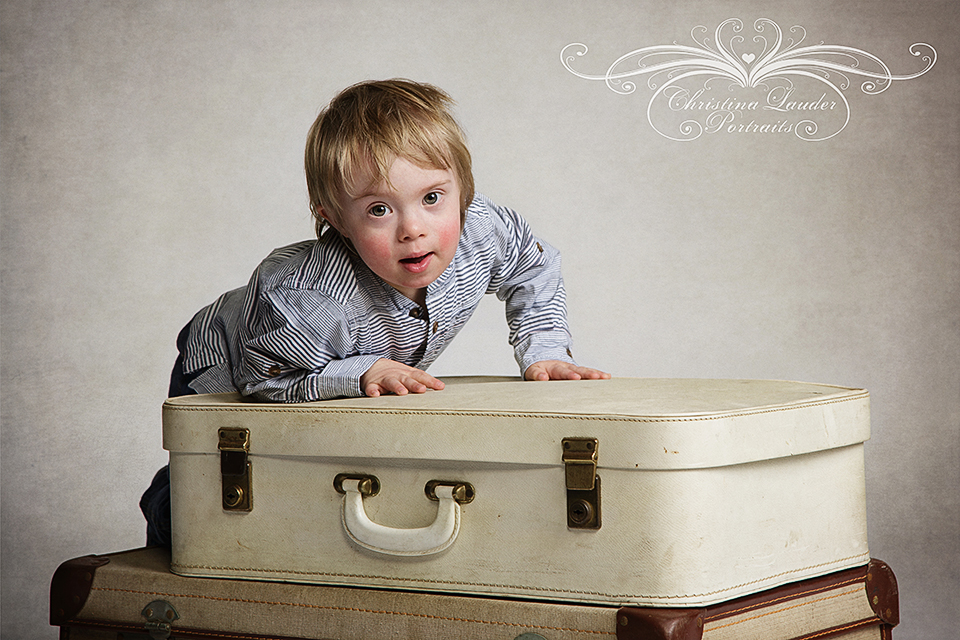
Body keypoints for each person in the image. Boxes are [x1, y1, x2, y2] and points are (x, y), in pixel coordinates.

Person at [140, 79, 609, 545]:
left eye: (432, 198)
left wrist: (544, 350)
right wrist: (361, 371)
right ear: (335, 218)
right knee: (220, 480)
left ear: (464, 190)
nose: (413, 229)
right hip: (238, 356)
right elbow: (265, 380)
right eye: (379, 209)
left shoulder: (483, 231)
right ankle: (169, 509)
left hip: (326, 354)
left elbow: (534, 266)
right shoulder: (313, 300)